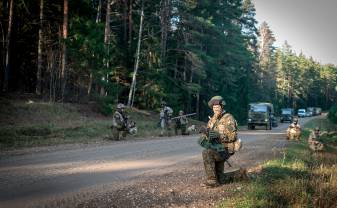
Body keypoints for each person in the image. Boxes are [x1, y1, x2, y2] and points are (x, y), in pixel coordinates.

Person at [198, 96, 240, 188]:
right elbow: (208, 138)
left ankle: (212, 181)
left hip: (225, 149)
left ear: (222, 107)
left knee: (206, 153)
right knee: (221, 179)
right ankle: (240, 174)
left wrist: (219, 136)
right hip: (215, 148)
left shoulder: (228, 118)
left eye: (217, 107)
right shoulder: (211, 121)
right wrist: (205, 133)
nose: (216, 109)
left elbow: (233, 136)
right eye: (214, 108)